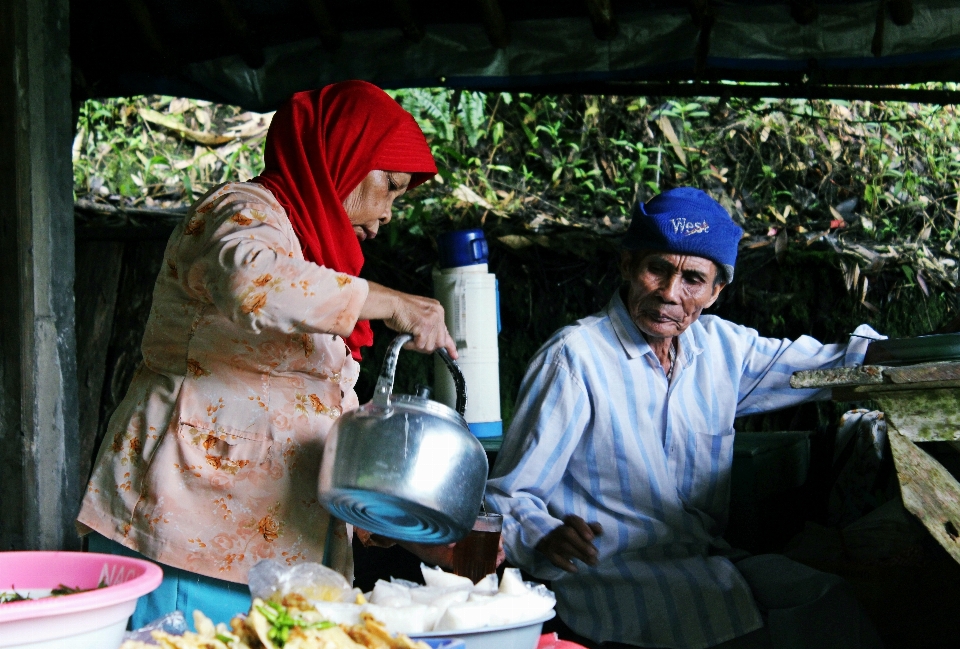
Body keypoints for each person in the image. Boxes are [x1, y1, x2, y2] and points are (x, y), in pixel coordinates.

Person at [77, 81, 456, 628]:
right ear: (340, 157)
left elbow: (305, 398)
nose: (390, 212)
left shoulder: (312, 256)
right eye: (390, 186)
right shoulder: (241, 213)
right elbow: (251, 280)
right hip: (188, 532)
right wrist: (390, 302)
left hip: (276, 546)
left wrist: (353, 496)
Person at [485, 188, 884, 649]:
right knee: (729, 629)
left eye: (692, 279)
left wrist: (917, 360)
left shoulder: (721, 349)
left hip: (708, 559)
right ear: (628, 266)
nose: (670, 294)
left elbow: (829, 364)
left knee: (828, 600)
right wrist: (546, 536)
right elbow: (507, 498)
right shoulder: (575, 358)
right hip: (612, 577)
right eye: (657, 269)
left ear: (716, 292)